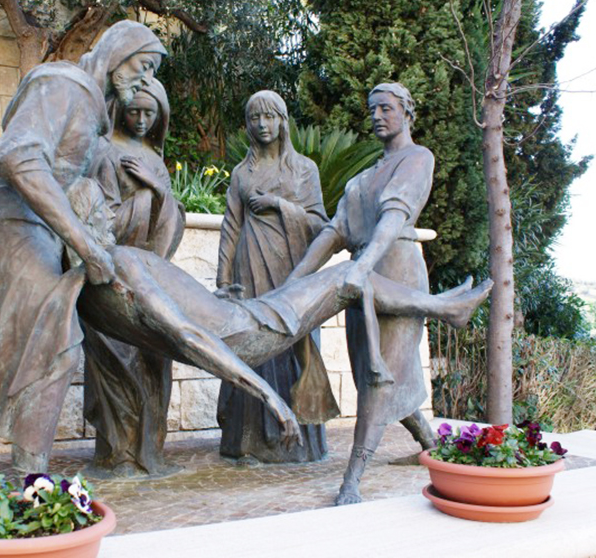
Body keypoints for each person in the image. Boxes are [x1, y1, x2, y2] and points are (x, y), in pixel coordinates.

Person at [65, 178, 491, 459]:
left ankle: (442, 314)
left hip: (240, 319)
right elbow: (187, 335)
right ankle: (445, 308)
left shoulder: (88, 294)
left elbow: (175, 327)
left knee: (347, 280)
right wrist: (268, 394)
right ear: (84, 221)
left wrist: (212, 299)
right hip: (249, 327)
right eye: (103, 209)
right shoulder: (121, 264)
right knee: (348, 274)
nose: (113, 215)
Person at [0, 20, 168, 506]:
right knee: (53, 356)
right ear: (118, 52)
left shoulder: (93, 109)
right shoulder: (62, 85)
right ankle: (30, 489)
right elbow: (18, 158)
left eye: (152, 73)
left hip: (37, 239)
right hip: (19, 234)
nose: (146, 80)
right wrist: (83, 241)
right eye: (143, 66)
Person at [287, 82, 437, 504]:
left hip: (396, 273)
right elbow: (334, 232)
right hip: (361, 281)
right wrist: (293, 282)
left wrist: (363, 265)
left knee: (379, 379)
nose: (377, 116)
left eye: (386, 108)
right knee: (381, 374)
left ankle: (352, 478)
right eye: (372, 109)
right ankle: (433, 446)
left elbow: (393, 217)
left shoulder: (417, 158)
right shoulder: (363, 177)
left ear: (407, 111)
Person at [215, 90, 333, 464]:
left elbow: (320, 224)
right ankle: (248, 441)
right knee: (252, 345)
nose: (262, 125)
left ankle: (300, 443)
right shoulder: (241, 173)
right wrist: (222, 281)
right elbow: (230, 226)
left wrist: (278, 205)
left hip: (293, 272)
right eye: (255, 118)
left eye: (269, 117)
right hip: (249, 268)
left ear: (283, 121)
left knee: (294, 345)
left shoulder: (305, 170)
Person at [84, 78, 186, 476]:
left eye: (150, 113)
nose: (142, 120)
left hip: (151, 275)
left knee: (155, 361)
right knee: (116, 363)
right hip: (115, 276)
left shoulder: (155, 160)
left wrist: (158, 190)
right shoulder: (106, 154)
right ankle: (119, 454)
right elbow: (101, 218)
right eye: (134, 112)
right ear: (120, 111)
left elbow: (170, 217)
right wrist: (144, 200)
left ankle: (150, 450)